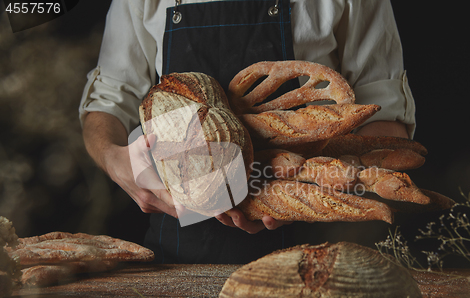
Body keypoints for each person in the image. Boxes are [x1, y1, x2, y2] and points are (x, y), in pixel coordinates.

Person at [79, 0, 415, 264]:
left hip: (317, 250)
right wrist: (117, 161)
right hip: (180, 257)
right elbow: (108, 101)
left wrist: (319, 187)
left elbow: (382, 116)